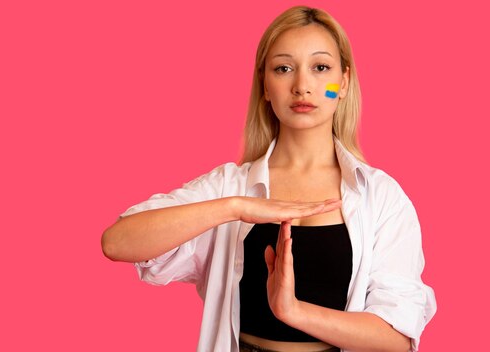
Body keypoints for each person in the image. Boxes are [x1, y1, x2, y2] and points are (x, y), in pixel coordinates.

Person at [102, 6, 436, 352]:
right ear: (265, 85)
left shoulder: (379, 196)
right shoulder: (230, 186)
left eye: (321, 68)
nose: (302, 86)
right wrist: (236, 207)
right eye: (283, 68)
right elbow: (117, 242)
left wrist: (293, 311)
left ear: (345, 82)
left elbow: (396, 338)